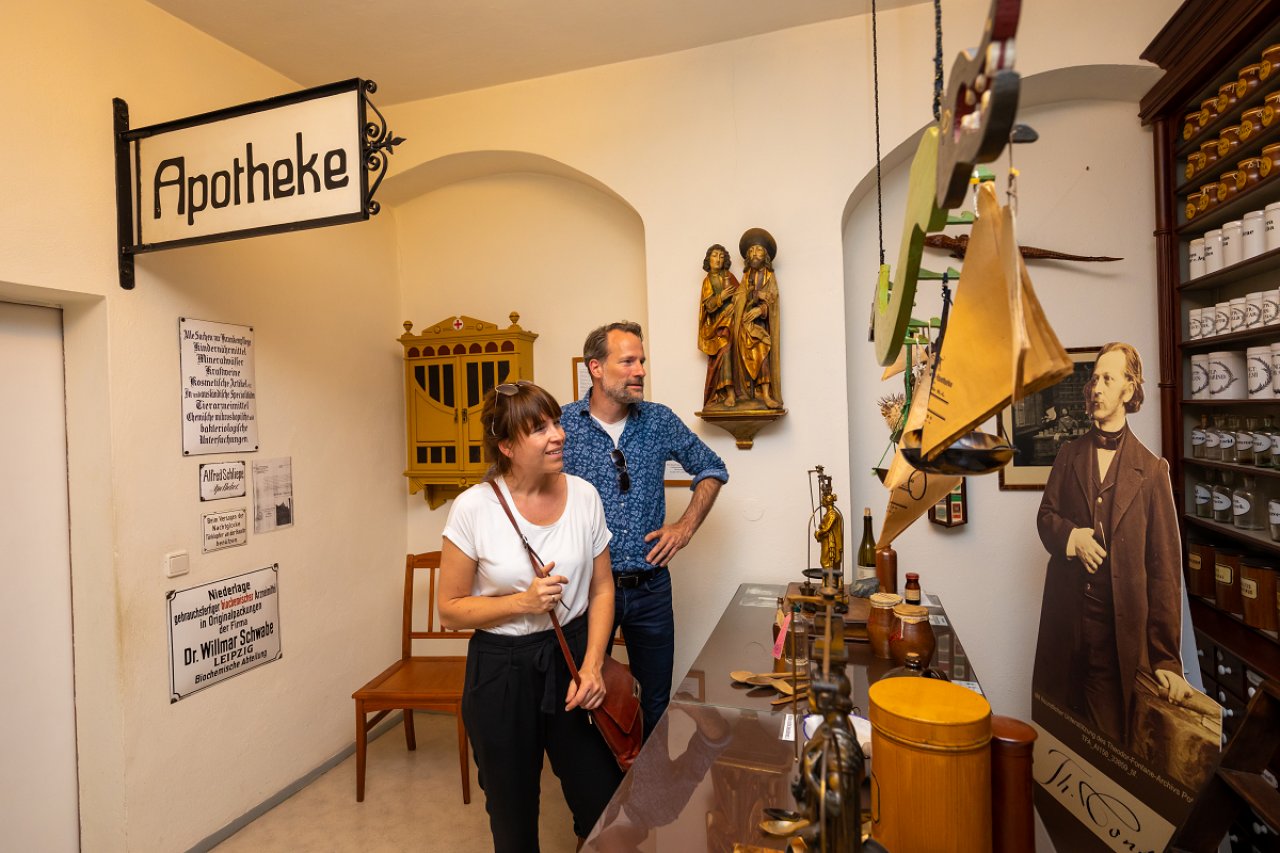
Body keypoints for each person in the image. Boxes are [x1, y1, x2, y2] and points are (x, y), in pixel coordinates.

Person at [438, 380, 623, 852]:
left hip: (573, 658)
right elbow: (451, 610)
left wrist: (593, 664)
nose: (557, 434)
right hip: (501, 670)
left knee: (603, 801)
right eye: (538, 428)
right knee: (513, 814)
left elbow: (603, 588)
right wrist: (522, 602)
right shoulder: (473, 508)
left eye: (556, 422)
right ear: (506, 446)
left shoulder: (584, 496)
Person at [563, 322, 729, 738]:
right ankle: (601, 796)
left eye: (642, 361)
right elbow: (521, 486)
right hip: (584, 589)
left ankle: (652, 793)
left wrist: (685, 527)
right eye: (628, 361)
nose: (640, 371)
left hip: (651, 589)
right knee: (584, 695)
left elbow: (713, 468)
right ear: (596, 368)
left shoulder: (658, 420)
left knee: (655, 699)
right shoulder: (562, 425)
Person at [1033, 342, 1191, 750]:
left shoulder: (1153, 471)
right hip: (1065, 630)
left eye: (1108, 378)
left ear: (1129, 388)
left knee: (1109, 750)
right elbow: (1045, 517)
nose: (1096, 388)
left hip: (1117, 640)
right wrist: (1072, 537)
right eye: (1094, 379)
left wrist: (1167, 659)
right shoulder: (1069, 455)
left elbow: (1165, 571)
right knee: (1056, 743)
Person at [737, 228, 782, 409]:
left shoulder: (770, 276)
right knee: (746, 358)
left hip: (762, 324)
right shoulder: (746, 276)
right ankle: (750, 391)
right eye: (752, 250)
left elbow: (773, 300)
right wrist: (755, 296)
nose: (755, 254)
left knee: (763, 353)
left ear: (766, 256)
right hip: (744, 326)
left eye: (759, 250)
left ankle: (765, 394)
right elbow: (739, 298)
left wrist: (761, 309)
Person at [697, 243, 742, 409]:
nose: (718, 259)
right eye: (715, 256)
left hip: (733, 321)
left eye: (721, 256)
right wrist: (721, 297)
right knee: (725, 349)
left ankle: (737, 392)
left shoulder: (729, 276)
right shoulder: (708, 281)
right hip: (717, 325)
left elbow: (741, 295)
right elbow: (708, 306)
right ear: (709, 259)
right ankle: (729, 392)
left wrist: (734, 304)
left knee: (735, 349)